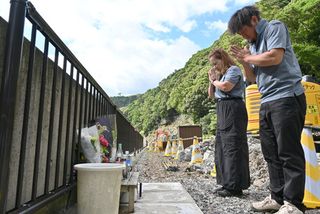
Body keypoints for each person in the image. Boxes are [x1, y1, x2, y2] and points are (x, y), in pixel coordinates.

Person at [228, 6, 306, 214]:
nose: (243, 36)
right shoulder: (251, 47)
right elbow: (253, 78)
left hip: (287, 96)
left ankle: (294, 204)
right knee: (271, 152)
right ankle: (277, 197)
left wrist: (248, 58)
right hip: (267, 100)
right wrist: (244, 61)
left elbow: (275, 57)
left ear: (254, 20)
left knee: (288, 151)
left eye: (244, 31)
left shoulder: (274, 28)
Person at [208, 48, 250, 197]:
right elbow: (211, 95)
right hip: (222, 109)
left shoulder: (234, 70)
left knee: (233, 146)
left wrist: (215, 80)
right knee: (222, 146)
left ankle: (235, 186)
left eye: (216, 63)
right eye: (212, 64)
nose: (214, 67)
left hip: (233, 108)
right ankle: (226, 183)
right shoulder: (221, 75)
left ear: (223, 59)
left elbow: (226, 87)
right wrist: (211, 81)